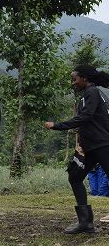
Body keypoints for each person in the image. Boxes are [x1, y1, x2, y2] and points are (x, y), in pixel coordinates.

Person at [45, 65, 109, 234]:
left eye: (75, 79)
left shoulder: (92, 92)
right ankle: (85, 222)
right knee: (75, 176)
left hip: (102, 144)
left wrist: (58, 125)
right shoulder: (87, 95)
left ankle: (86, 222)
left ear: (85, 79)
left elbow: (86, 116)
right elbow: (91, 119)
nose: (73, 83)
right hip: (90, 147)